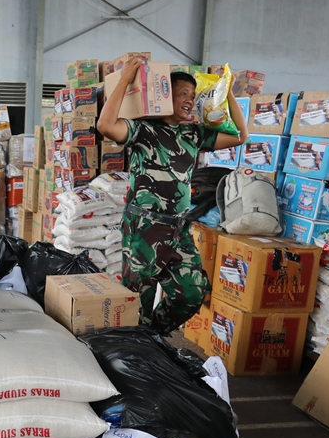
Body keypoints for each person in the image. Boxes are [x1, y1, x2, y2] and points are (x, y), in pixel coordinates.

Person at [96, 57, 248, 335]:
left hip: (178, 227)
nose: (190, 100)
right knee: (137, 299)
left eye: (193, 95)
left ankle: (153, 335)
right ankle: (136, 345)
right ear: (166, 98)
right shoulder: (143, 131)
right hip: (145, 227)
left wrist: (228, 93)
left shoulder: (193, 134)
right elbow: (105, 126)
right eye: (183, 94)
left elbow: (240, 136)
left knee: (192, 292)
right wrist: (125, 79)